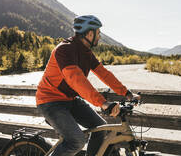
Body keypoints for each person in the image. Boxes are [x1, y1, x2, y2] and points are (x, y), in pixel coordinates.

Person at [36, 15, 139, 156]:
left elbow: (104, 74)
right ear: (90, 34)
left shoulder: (86, 53)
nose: (100, 36)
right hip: (51, 102)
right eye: (98, 33)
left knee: (101, 128)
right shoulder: (64, 50)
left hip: (70, 100)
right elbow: (76, 80)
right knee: (76, 141)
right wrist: (102, 103)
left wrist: (126, 93)